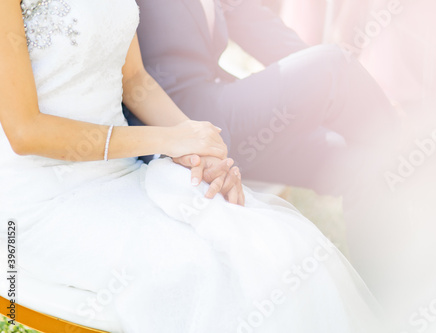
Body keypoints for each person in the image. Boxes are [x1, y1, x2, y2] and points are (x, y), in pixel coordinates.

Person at [0, 0, 382, 332]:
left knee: (271, 245)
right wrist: (168, 141)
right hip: (42, 201)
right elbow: (24, 131)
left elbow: (134, 81)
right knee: (197, 270)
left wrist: (200, 145)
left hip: (120, 176)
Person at [127, 0, 410, 294]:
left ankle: (388, 297)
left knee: (360, 163)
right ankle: (421, 170)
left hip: (226, 116)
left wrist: (317, 96)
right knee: (336, 66)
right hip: (177, 122)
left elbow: (259, 26)